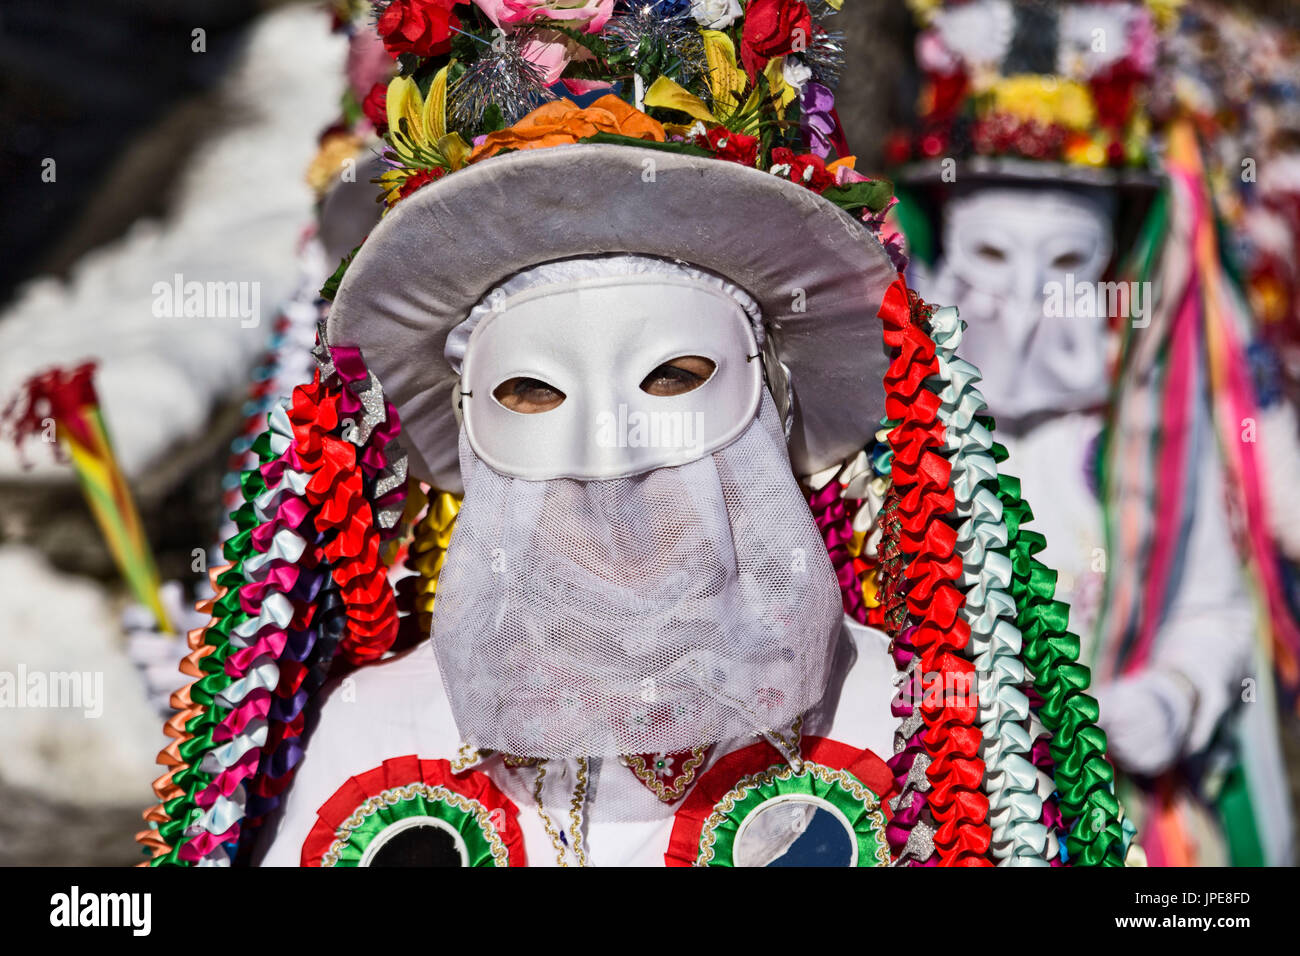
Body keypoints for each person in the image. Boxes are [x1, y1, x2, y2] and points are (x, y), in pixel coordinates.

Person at [138, 0, 1136, 867]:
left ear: (775, 403)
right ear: (465, 423)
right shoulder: (378, 733)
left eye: (673, 376)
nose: (607, 455)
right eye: (534, 393)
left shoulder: (902, 723)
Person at [890, 0, 1296, 865]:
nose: (1030, 307)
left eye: (1067, 264)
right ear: (945, 258)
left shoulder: (1147, 441)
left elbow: (1217, 608)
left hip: (1122, 832)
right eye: (994, 257)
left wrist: (1175, 695)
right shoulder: (891, 443)